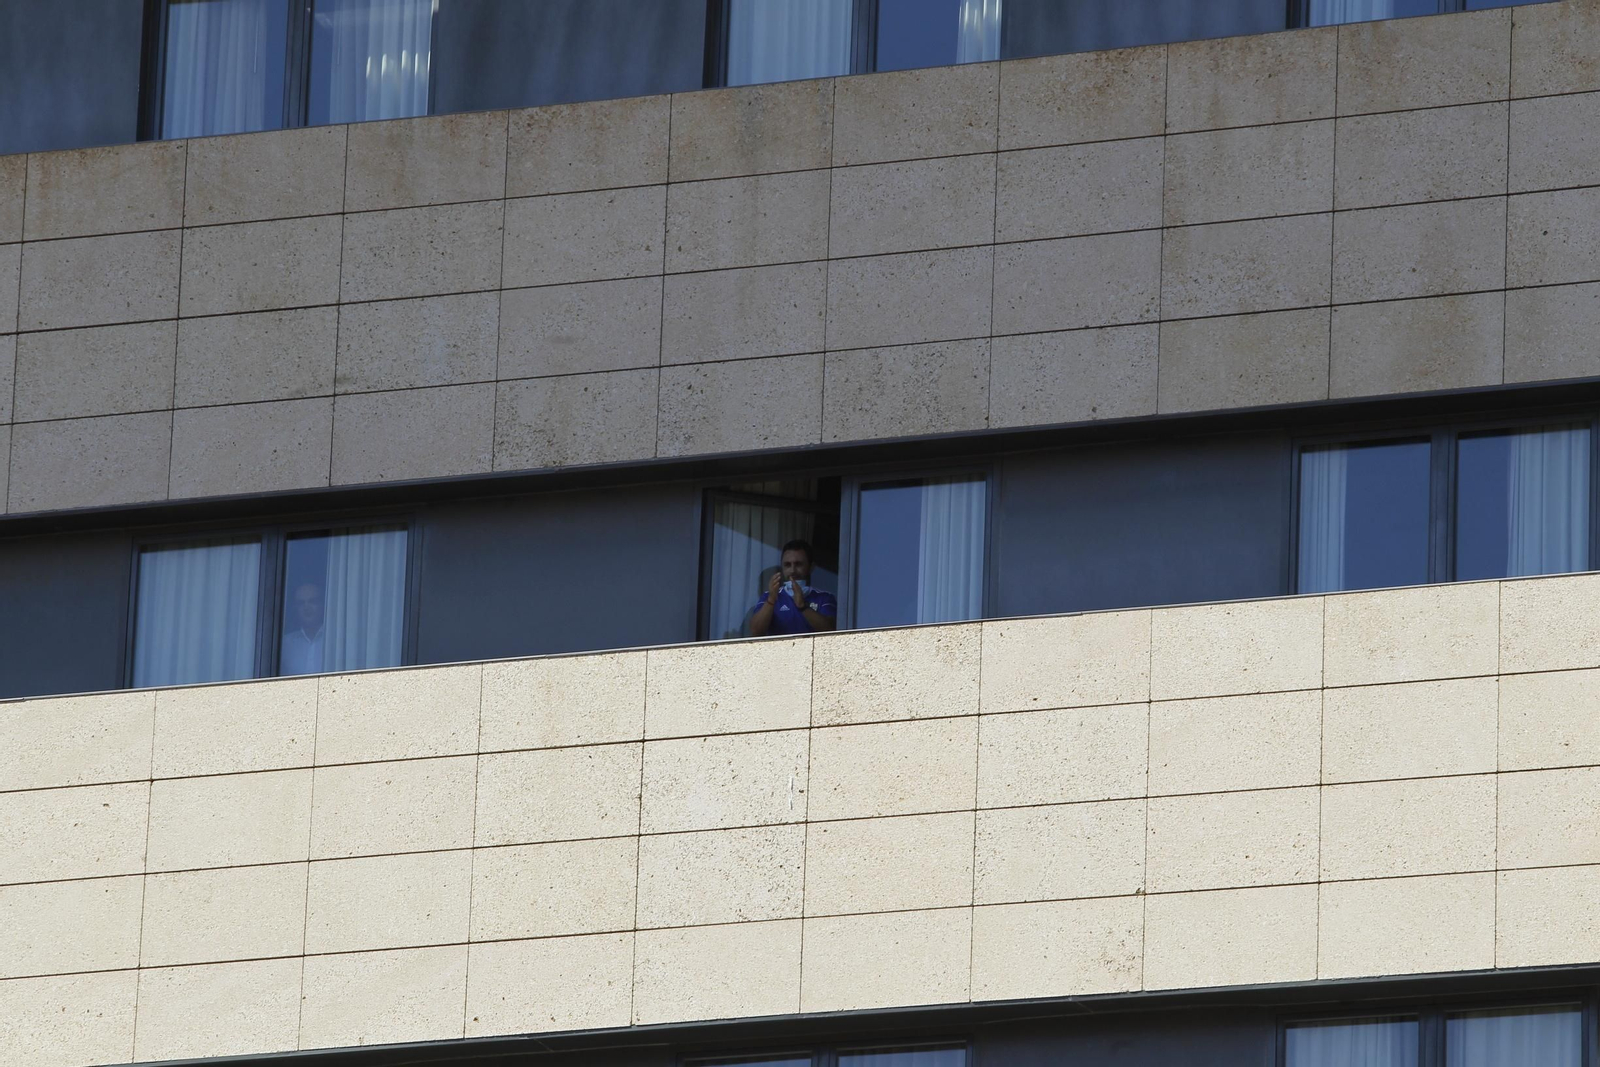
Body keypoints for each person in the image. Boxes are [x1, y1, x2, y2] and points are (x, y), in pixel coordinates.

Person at [748, 539, 837, 636]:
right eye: (787, 565)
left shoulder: (825, 597)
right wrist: (771, 601)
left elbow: (830, 631)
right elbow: (755, 631)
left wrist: (803, 606)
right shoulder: (769, 597)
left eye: (798, 564)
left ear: (811, 567)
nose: (792, 571)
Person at [280, 581, 326, 675]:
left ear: (322, 605)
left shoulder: (335, 641)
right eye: (301, 603)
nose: (306, 607)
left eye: (312, 601)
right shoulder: (285, 644)